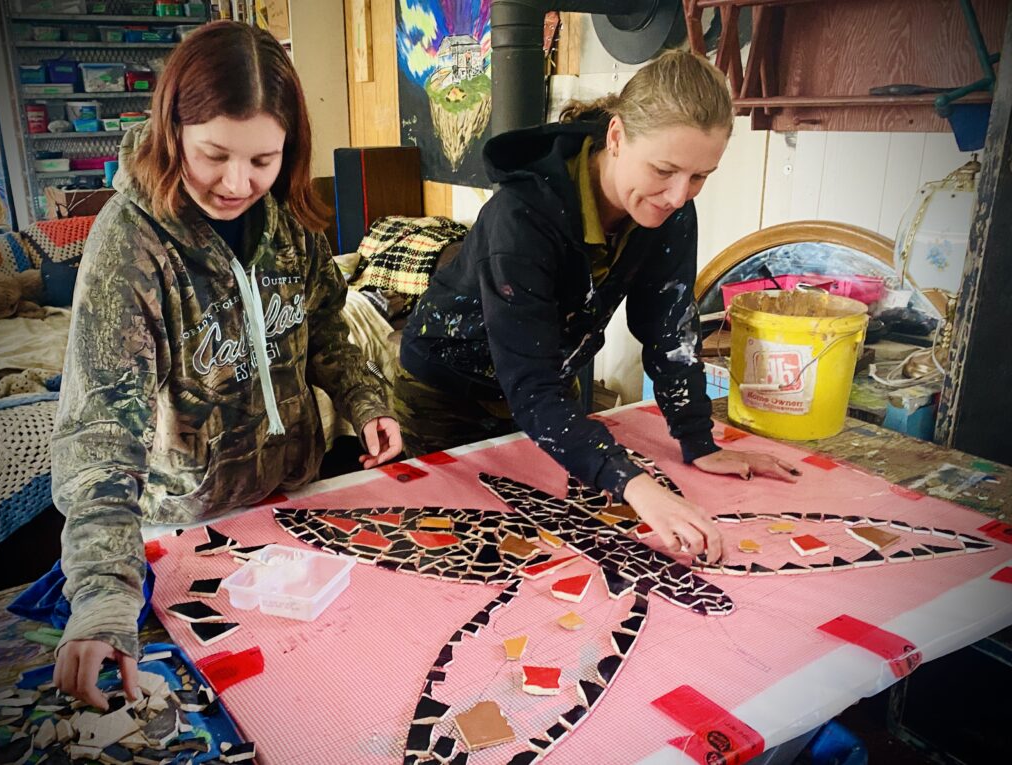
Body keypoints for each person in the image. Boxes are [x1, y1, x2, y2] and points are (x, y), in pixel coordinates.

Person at [51, 21, 402, 706]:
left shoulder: (292, 216)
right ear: (173, 128)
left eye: (262, 160)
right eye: (214, 154)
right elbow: (98, 438)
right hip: (185, 533)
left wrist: (366, 400)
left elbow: (326, 323)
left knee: (336, 693)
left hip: (295, 508)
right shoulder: (131, 244)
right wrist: (100, 597)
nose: (237, 182)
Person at [397, 50, 799, 564]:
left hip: (543, 385)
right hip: (447, 391)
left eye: (700, 177)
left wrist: (700, 441)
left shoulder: (669, 210)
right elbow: (531, 385)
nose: (679, 195)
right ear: (616, 137)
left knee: (559, 545)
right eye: (664, 170)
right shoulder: (521, 217)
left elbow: (670, 330)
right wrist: (635, 483)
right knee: (464, 549)